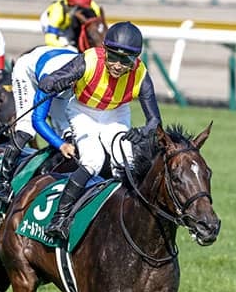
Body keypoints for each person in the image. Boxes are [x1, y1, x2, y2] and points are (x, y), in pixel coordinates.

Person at [37, 21, 162, 241]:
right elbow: (56, 77)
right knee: (93, 160)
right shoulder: (89, 60)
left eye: (126, 60)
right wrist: (51, 82)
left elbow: (155, 121)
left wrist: (143, 132)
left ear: (135, 60)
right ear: (105, 51)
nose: (117, 65)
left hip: (116, 113)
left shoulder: (141, 75)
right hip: (83, 110)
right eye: (113, 57)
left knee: (125, 161)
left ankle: (125, 217)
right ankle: (59, 218)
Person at [0, 45, 80, 202]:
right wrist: (61, 145)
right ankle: (2, 184)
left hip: (63, 68)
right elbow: (38, 120)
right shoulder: (51, 81)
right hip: (30, 73)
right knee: (26, 128)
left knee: (69, 131)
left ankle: (53, 173)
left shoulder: (94, 74)